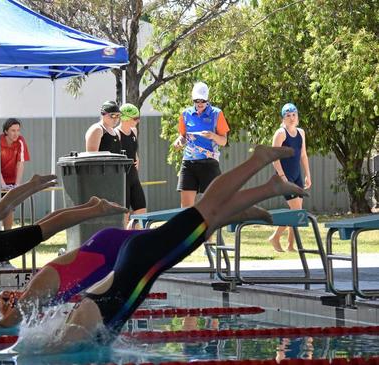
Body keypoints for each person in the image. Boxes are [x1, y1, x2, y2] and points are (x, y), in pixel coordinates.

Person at [39, 146, 306, 350]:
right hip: (137, 258)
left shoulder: (74, 334)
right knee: (206, 220)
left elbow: (57, 348)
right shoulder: (76, 323)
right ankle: (245, 206)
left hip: (144, 259)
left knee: (208, 208)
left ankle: (260, 165)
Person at [0, 218, 145, 328]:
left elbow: (8, 322)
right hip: (104, 257)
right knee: (160, 245)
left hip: (105, 249)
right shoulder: (40, 298)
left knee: (163, 241)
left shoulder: (36, 290)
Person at [172, 82, 230, 208]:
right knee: (186, 208)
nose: (200, 103)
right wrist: (178, 142)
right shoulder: (185, 114)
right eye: (197, 100)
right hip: (189, 162)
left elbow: (224, 141)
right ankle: (187, 228)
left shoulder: (216, 113)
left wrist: (213, 136)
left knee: (211, 204)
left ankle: (209, 228)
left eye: (203, 100)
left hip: (209, 162)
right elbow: (183, 136)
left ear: (208, 99)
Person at [268, 103, 312, 252]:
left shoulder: (301, 133)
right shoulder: (281, 133)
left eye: (294, 115)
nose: (292, 118)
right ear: (283, 118)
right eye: (288, 115)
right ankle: (276, 238)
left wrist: (308, 175)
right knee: (297, 211)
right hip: (284, 177)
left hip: (297, 176)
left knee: (296, 211)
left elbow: (303, 155)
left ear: (297, 116)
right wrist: (282, 176)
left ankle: (291, 245)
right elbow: (274, 158)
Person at [117, 103, 147, 227]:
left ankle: (135, 237)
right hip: (122, 178)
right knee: (124, 213)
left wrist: (137, 158)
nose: (138, 121)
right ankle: (123, 239)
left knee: (141, 209)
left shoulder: (134, 131)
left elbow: (133, 150)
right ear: (125, 118)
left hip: (134, 177)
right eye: (135, 118)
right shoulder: (116, 133)